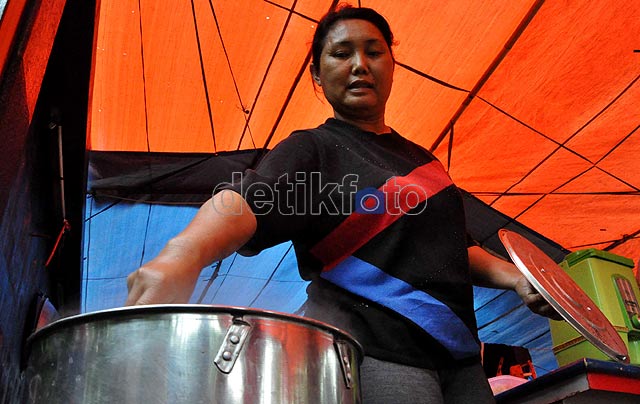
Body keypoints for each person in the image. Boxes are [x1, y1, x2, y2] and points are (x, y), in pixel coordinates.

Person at [126, 6, 560, 403]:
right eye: (341, 54)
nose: (359, 65)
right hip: (376, 353)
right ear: (317, 75)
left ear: (392, 65)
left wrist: (519, 278)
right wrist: (181, 256)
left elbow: (454, 251)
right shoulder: (315, 149)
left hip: (462, 359)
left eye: (373, 52)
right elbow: (246, 202)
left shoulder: (425, 161)